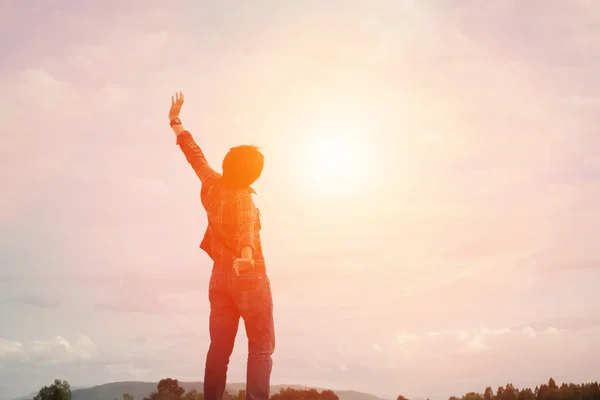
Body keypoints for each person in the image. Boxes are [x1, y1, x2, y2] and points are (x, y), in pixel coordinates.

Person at [168, 91, 275, 400]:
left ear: (228, 164)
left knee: (219, 349)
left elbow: (194, 155)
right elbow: (245, 228)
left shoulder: (211, 184)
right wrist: (246, 256)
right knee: (260, 348)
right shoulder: (243, 196)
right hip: (248, 278)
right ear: (254, 174)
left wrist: (175, 121)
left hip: (219, 279)